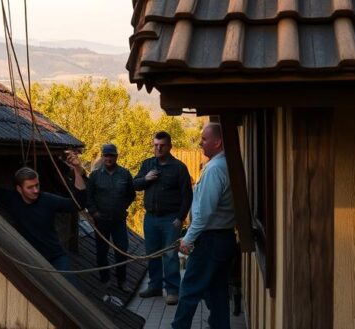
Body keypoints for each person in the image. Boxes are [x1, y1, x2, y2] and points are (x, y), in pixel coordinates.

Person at [172, 123, 237, 329]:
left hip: (211, 240)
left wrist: (188, 239)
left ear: (217, 142)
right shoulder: (226, 165)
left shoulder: (215, 169)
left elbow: (204, 212)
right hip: (223, 238)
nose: (201, 143)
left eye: (204, 139)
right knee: (217, 292)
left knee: (190, 289)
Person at [0, 159, 85, 271]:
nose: (35, 190)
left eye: (37, 185)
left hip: (56, 257)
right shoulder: (11, 199)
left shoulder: (48, 200)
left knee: (66, 287)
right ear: (19, 189)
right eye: (30, 187)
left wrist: (77, 171)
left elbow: (78, 205)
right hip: (30, 259)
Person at [134, 131, 193, 305]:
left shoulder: (179, 168)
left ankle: (173, 290)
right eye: (156, 145)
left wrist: (180, 218)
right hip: (151, 218)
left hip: (170, 219)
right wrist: (146, 179)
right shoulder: (147, 164)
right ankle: (155, 287)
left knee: (169, 255)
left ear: (169, 146)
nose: (158, 148)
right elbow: (135, 185)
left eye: (162, 145)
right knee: (151, 254)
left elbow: (187, 196)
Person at [72, 143, 135, 289]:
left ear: (116, 157)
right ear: (103, 157)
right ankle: (105, 279)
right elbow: (89, 196)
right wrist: (94, 212)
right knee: (101, 251)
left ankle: (122, 281)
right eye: (106, 155)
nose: (109, 158)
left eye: (111, 155)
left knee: (122, 249)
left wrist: (122, 207)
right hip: (101, 220)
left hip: (119, 220)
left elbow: (131, 195)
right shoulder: (95, 176)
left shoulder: (125, 174)